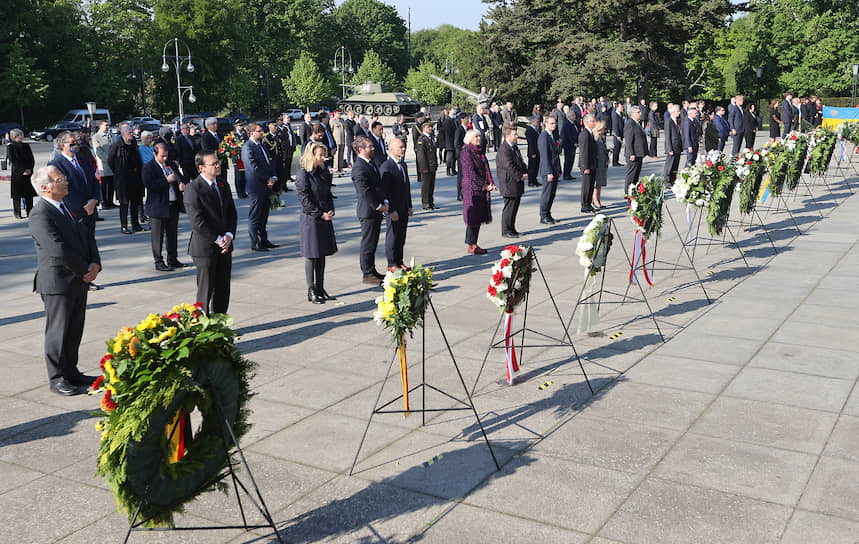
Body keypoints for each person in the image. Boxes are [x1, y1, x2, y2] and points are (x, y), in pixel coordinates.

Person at [28, 166, 101, 395]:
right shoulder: (40, 214)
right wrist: (84, 270)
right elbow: (57, 249)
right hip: (58, 282)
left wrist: (95, 263)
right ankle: (57, 377)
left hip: (79, 278)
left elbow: (87, 235)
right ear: (45, 188)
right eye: (60, 179)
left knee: (74, 329)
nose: (66, 182)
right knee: (58, 332)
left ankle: (72, 371)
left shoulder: (66, 207)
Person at [183, 151, 237, 315]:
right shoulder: (193, 189)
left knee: (223, 288)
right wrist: (218, 239)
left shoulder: (222, 184)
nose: (218, 165)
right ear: (201, 168)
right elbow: (198, 221)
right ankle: (202, 326)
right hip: (205, 247)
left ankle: (221, 323)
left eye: (217, 162)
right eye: (213, 163)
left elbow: (231, 213)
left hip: (225, 246)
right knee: (205, 290)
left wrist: (229, 235)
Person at [296, 142, 337, 304]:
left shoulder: (322, 172)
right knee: (312, 255)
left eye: (323, 155)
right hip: (311, 219)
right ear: (311, 156)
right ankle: (311, 289)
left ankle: (321, 287)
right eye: (320, 155)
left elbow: (328, 194)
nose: (323, 158)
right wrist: (320, 214)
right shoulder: (303, 174)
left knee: (322, 254)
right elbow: (304, 199)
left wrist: (330, 210)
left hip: (324, 217)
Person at [143, 142, 185, 271]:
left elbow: (180, 177)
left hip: (172, 205)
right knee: (157, 236)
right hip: (158, 206)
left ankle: (173, 259)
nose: (165, 158)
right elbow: (150, 184)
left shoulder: (171, 164)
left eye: (166, 155)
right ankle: (159, 262)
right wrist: (166, 181)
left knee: (172, 235)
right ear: (155, 154)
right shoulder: (148, 167)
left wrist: (181, 183)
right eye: (162, 156)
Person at [351, 136, 388, 285]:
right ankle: (367, 272)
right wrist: (379, 207)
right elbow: (364, 192)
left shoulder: (370, 163)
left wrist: (384, 201)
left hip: (375, 210)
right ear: (360, 149)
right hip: (368, 211)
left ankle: (372, 270)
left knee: (372, 243)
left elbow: (378, 186)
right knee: (368, 243)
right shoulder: (359, 167)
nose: (373, 148)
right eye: (369, 147)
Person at [48, 131, 101, 234]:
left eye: (77, 142)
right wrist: (84, 205)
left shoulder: (84, 160)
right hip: (74, 211)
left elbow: (94, 181)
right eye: (72, 143)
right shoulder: (56, 165)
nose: (76, 145)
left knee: (90, 242)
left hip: (90, 210)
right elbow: (62, 190)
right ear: (63, 145)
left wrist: (94, 200)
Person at [242, 122, 279, 252]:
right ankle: (255, 242)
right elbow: (253, 168)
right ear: (252, 133)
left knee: (264, 215)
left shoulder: (261, 145)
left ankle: (264, 240)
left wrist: (274, 176)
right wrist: (267, 178)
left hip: (266, 186)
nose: (262, 132)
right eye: (259, 131)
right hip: (256, 187)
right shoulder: (248, 147)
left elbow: (268, 162)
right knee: (255, 216)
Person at [379, 138, 412, 271]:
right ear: (391, 149)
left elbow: (406, 186)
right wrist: (391, 210)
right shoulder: (387, 166)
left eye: (404, 147)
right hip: (393, 208)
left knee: (401, 235)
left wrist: (409, 205)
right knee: (393, 235)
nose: (403, 149)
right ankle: (392, 263)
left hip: (403, 206)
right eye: (400, 147)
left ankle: (399, 260)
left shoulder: (403, 165)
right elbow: (385, 192)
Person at [460, 129, 495, 254]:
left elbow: (486, 168)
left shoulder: (479, 151)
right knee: (472, 217)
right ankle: (471, 244)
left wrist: (490, 182)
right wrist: (484, 185)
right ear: (469, 138)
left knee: (478, 216)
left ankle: (474, 242)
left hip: (480, 188)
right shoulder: (467, 152)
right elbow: (470, 174)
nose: (479, 138)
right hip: (472, 189)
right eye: (476, 136)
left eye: (479, 136)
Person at [109, 124, 146, 234]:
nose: (132, 134)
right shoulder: (117, 146)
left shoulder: (134, 144)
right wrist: (118, 172)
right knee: (124, 203)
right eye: (130, 132)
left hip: (135, 178)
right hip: (123, 179)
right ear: (123, 134)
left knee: (135, 202)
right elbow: (111, 161)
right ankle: (124, 226)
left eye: (132, 132)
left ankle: (136, 224)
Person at [496, 126, 527, 237]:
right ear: (507, 136)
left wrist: (525, 171)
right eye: (514, 134)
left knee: (514, 207)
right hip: (509, 183)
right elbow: (509, 166)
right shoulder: (504, 149)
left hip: (516, 182)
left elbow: (520, 162)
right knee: (509, 207)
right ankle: (506, 230)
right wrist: (520, 176)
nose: (517, 136)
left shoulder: (514, 147)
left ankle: (512, 228)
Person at [6, 128, 36, 219]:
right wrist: (22, 170)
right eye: (18, 135)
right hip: (18, 173)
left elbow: (31, 159)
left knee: (29, 194)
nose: (20, 137)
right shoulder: (11, 146)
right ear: (14, 137)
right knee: (17, 195)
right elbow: (13, 160)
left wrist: (29, 169)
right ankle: (17, 212)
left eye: (21, 135)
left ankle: (30, 211)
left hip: (28, 172)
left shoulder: (26, 145)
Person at [538, 116, 561, 223]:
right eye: (551, 123)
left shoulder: (552, 136)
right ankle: (543, 215)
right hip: (548, 170)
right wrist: (548, 172)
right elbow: (544, 156)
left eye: (555, 123)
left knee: (552, 193)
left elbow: (556, 154)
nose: (554, 125)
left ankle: (548, 213)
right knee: (547, 193)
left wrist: (559, 169)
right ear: (546, 124)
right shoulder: (544, 136)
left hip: (554, 169)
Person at [414, 121, 439, 211]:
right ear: (424, 128)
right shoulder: (422, 139)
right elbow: (421, 155)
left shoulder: (430, 138)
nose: (431, 128)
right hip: (426, 167)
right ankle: (425, 203)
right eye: (429, 127)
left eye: (431, 127)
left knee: (431, 185)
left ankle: (431, 202)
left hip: (432, 166)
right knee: (426, 186)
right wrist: (423, 168)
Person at [92, 120, 116, 209]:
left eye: (108, 125)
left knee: (111, 184)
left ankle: (110, 201)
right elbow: (98, 151)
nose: (107, 127)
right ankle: (104, 202)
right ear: (100, 126)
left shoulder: (111, 135)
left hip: (113, 164)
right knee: (104, 184)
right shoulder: (96, 137)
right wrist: (109, 159)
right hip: (104, 164)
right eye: (105, 125)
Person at [624, 106, 648, 189]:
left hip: (639, 153)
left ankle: (633, 189)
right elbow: (628, 140)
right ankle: (628, 191)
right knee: (631, 173)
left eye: (640, 112)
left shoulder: (637, 123)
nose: (640, 113)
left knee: (636, 173)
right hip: (634, 154)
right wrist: (631, 153)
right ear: (632, 114)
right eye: (638, 112)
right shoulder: (630, 124)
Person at [578, 114, 598, 213]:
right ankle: (584, 204)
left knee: (591, 185)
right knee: (586, 185)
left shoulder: (590, 133)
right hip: (587, 165)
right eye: (592, 121)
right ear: (587, 123)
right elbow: (584, 152)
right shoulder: (584, 134)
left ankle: (588, 204)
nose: (594, 123)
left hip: (592, 164)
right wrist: (585, 166)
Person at [200, 117, 227, 184]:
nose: (215, 125)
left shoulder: (220, 135)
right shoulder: (205, 137)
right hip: (214, 163)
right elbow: (206, 149)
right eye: (213, 124)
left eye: (216, 124)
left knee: (224, 181)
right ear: (208, 126)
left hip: (223, 163)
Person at [593, 120, 609, 209]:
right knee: (597, 183)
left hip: (603, 163)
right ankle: (595, 200)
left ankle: (598, 199)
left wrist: (607, 159)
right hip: (597, 163)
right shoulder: (596, 138)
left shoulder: (602, 137)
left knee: (600, 183)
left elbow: (604, 150)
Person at [278, 114, 298, 181]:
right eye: (287, 118)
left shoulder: (289, 126)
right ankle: (285, 177)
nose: (289, 119)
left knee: (289, 163)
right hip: (286, 148)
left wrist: (294, 145)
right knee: (286, 163)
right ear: (283, 120)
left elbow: (292, 137)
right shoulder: (283, 127)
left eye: (289, 117)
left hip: (291, 147)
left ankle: (289, 176)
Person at [455, 114, 469, 199]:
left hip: (466, 154)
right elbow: (456, 143)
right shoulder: (459, 129)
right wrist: (463, 150)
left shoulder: (467, 129)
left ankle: (465, 191)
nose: (468, 120)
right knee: (461, 174)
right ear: (462, 119)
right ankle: (459, 193)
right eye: (467, 118)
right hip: (461, 155)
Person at [561, 112, 579, 180]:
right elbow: (568, 135)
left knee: (571, 159)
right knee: (568, 159)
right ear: (568, 116)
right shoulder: (566, 124)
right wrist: (574, 142)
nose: (574, 116)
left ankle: (568, 173)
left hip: (573, 144)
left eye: (574, 115)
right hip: (568, 144)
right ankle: (566, 174)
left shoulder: (574, 123)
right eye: (573, 115)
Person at [525, 115, 541, 188]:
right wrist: (532, 152)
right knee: (532, 167)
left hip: (537, 150)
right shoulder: (529, 130)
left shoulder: (536, 129)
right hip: (533, 152)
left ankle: (535, 180)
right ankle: (531, 181)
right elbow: (530, 143)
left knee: (536, 167)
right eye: (536, 121)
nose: (537, 122)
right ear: (532, 122)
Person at [330, 110, 346, 175]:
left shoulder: (342, 120)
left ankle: (340, 167)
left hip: (342, 139)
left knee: (341, 154)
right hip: (336, 139)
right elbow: (331, 130)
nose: (339, 115)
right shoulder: (332, 121)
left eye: (340, 113)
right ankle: (336, 168)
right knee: (336, 154)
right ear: (335, 114)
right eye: (338, 113)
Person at [443, 110, 457, 176]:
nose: (455, 111)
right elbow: (449, 132)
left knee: (454, 157)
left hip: (454, 141)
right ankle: (448, 170)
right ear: (450, 111)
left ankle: (453, 170)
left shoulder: (453, 120)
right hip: (449, 141)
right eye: (453, 109)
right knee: (449, 157)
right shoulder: (447, 120)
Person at [611, 103, 625, 167]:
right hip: (617, 135)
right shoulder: (615, 115)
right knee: (616, 148)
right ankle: (614, 162)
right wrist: (618, 135)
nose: (622, 108)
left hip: (621, 133)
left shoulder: (620, 114)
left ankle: (617, 161)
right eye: (621, 107)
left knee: (618, 148)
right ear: (617, 108)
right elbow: (615, 126)